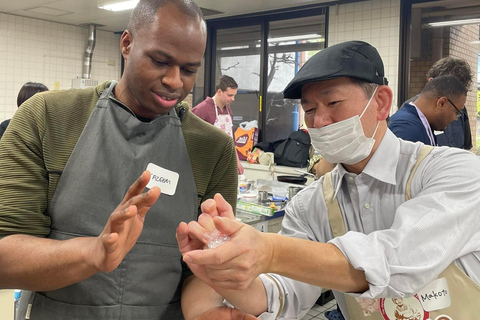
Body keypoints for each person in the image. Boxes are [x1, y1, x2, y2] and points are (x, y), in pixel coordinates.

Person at [177, 40, 480, 320]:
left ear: (381, 102)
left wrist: (268, 251)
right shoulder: (310, 205)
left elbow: (397, 258)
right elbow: (283, 294)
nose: (319, 121)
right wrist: (223, 264)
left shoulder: (454, 172)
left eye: (333, 103)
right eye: (309, 110)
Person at [0, 1, 243, 319]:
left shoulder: (212, 148)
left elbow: (207, 265)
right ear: (127, 44)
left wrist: (206, 311)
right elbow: (5, 258)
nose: (174, 81)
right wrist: (93, 253)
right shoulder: (47, 118)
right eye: (159, 61)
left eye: (189, 70)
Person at [401, 57, 473, 149]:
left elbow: (466, 146)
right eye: (451, 89)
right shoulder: (409, 115)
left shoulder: (459, 109)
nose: (455, 96)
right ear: (432, 82)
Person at [389, 75, 467, 145]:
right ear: (441, 103)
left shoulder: (419, 123)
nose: (456, 118)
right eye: (457, 112)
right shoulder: (407, 129)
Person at [192, 75, 244, 174]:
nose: (233, 99)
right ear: (219, 92)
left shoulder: (228, 110)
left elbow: (231, 140)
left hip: (225, 163)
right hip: (207, 165)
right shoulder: (202, 110)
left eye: (234, 95)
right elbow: (192, 140)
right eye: (229, 95)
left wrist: (237, 161)